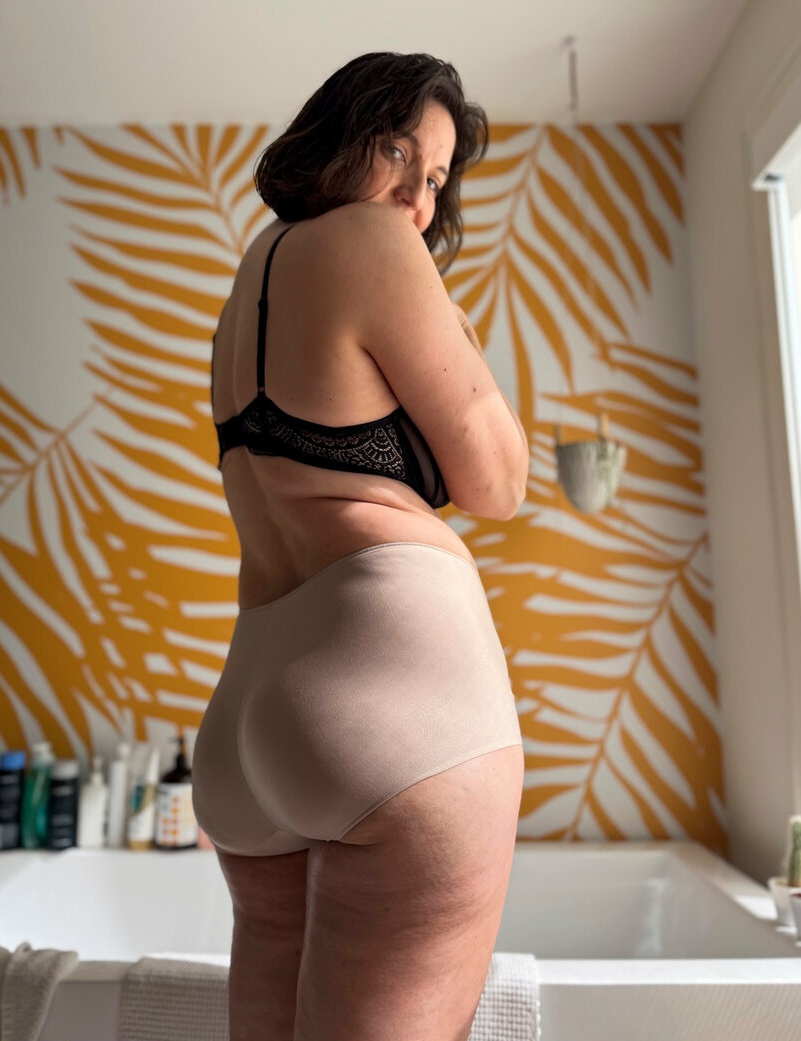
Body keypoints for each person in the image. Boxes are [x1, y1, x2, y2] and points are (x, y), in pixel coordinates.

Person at [192, 51, 529, 1041]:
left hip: (249, 711)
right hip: (394, 686)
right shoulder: (376, 243)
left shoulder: (246, 288)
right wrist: (455, 326)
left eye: (436, 179)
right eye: (398, 153)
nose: (417, 199)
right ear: (340, 136)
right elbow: (499, 483)